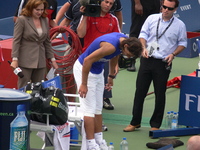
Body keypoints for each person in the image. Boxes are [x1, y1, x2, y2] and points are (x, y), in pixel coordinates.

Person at [123, 0, 187, 132]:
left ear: (175, 9)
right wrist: (143, 47)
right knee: (140, 91)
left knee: (160, 94)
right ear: (161, 6)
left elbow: (183, 43)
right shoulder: (151, 18)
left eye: (169, 8)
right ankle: (135, 122)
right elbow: (143, 34)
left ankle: (155, 124)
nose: (165, 10)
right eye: (164, 7)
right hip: (147, 59)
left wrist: (173, 54)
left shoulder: (180, 25)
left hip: (163, 62)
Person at [73, 32, 142, 150]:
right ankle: (91, 144)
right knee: (89, 110)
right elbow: (87, 61)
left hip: (98, 71)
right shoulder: (110, 46)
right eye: (129, 55)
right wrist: (84, 84)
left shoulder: (123, 42)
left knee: (98, 108)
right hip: (84, 70)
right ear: (126, 47)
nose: (129, 57)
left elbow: (115, 56)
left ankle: (99, 140)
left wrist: (110, 76)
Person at [77, 0, 121, 110]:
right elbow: (80, 34)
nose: (108, 5)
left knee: (101, 86)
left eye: (111, 4)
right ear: (100, 2)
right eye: (106, 2)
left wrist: (116, 64)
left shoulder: (113, 19)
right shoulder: (89, 16)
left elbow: (118, 41)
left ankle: (104, 100)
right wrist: (85, 15)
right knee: (88, 89)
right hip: (89, 58)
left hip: (104, 58)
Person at [10, 0, 58, 89]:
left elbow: (47, 42)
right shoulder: (22, 20)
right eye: (37, 10)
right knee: (23, 86)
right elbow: (16, 41)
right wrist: (15, 59)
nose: (40, 12)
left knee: (39, 88)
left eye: (42, 10)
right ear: (31, 8)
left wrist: (52, 59)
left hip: (40, 61)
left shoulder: (45, 20)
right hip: (25, 60)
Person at [127, 0, 161, 72]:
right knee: (136, 30)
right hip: (142, 2)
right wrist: (137, 3)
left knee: (154, 30)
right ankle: (131, 60)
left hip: (156, 3)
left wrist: (162, 3)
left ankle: (150, 57)